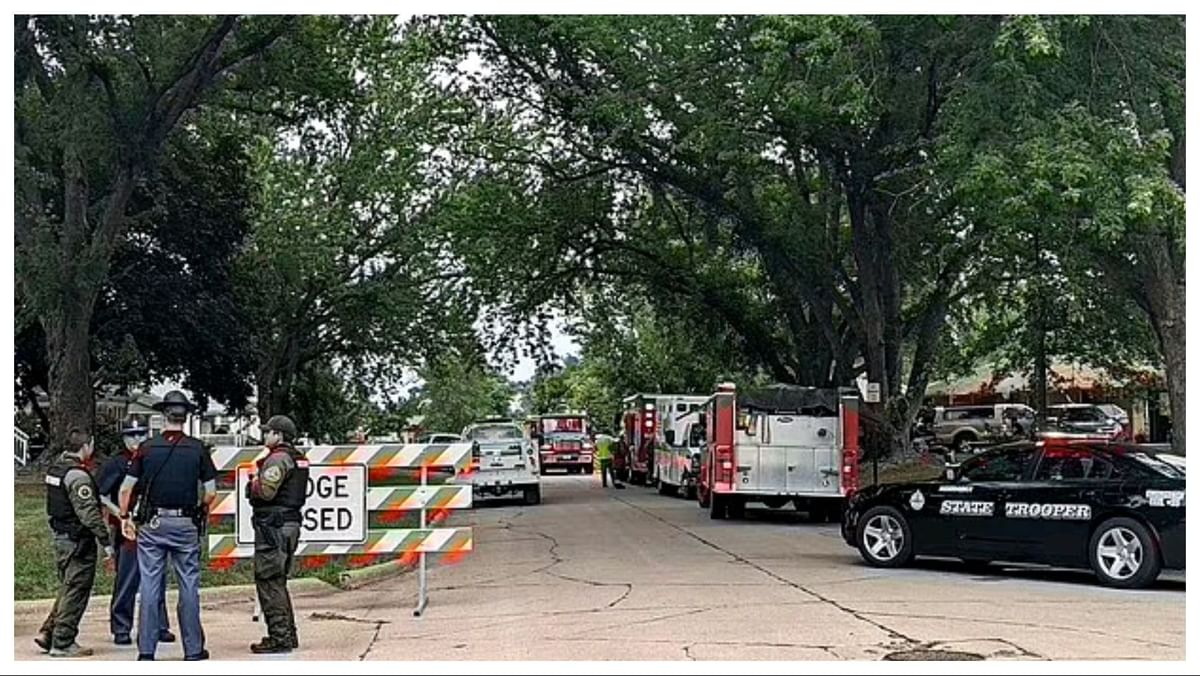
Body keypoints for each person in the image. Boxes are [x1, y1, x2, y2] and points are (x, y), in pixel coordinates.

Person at [118, 390, 216, 661]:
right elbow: (211, 491)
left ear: (163, 415)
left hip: (152, 524)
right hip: (185, 523)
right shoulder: (197, 449)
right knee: (188, 585)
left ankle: (147, 650)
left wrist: (125, 517)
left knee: (149, 584)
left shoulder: (146, 449)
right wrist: (201, 509)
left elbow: (126, 489)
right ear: (186, 416)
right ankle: (194, 649)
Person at [96, 419, 173, 647]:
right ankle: (121, 627)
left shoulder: (152, 460)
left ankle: (159, 625)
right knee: (128, 578)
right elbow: (101, 494)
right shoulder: (116, 463)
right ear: (124, 439)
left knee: (156, 578)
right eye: (132, 435)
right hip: (127, 527)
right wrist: (119, 514)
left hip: (152, 525)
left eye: (141, 435)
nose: (137, 440)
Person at [37, 428, 112, 657]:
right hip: (78, 541)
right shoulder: (77, 475)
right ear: (86, 446)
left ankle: (48, 632)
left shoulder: (56, 469)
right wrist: (105, 540)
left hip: (61, 537)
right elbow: (88, 513)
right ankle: (63, 642)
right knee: (77, 590)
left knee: (67, 587)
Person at [246, 414, 310, 653]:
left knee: (269, 579)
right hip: (289, 524)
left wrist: (252, 482)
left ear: (279, 435)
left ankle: (279, 638)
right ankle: (288, 634)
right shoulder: (298, 458)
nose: (265, 435)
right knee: (278, 581)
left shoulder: (278, 459)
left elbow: (265, 492)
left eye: (268, 431)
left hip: (273, 527)